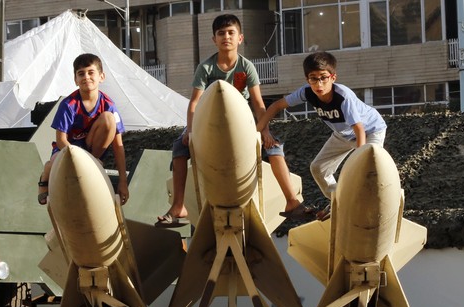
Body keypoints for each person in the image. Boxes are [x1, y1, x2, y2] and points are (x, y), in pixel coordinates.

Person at [155, 14, 311, 227]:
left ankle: (291, 201)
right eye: (221, 33)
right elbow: (194, 103)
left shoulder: (246, 67)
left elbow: (257, 103)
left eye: (231, 33)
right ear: (214, 39)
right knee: (179, 148)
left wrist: (264, 130)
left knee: (274, 147)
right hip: (207, 119)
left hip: (242, 118)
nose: (226, 37)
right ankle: (178, 205)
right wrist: (190, 131)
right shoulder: (206, 68)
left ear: (240, 38)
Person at [256, 51, 387, 220]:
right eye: (313, 78)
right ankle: (339, 200)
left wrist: (359, 161)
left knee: (366, 170)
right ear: (307, 80)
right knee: (318, 168)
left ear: (333, 77)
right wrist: (258, 130)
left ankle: (374, 203)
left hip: (370, 131)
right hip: (343, 134)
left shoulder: (343, 97)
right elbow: (275, 106)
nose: (319, 84)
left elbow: (359, 130)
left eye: (323, 77)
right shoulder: (306, 92)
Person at [37, 53, 129, 206]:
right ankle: (46, 172)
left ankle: (91, 162)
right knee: (55, 162)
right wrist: (78, 158)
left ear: (101, 76)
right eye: (81, 74)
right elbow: (61, 140)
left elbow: (118, 145)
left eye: (91, 72)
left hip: (91, 149)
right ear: (75, 80)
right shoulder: (69, 104)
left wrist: (123, 181)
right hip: (68, 149)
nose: (86, 77)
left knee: (108, 119)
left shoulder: (108, 105)